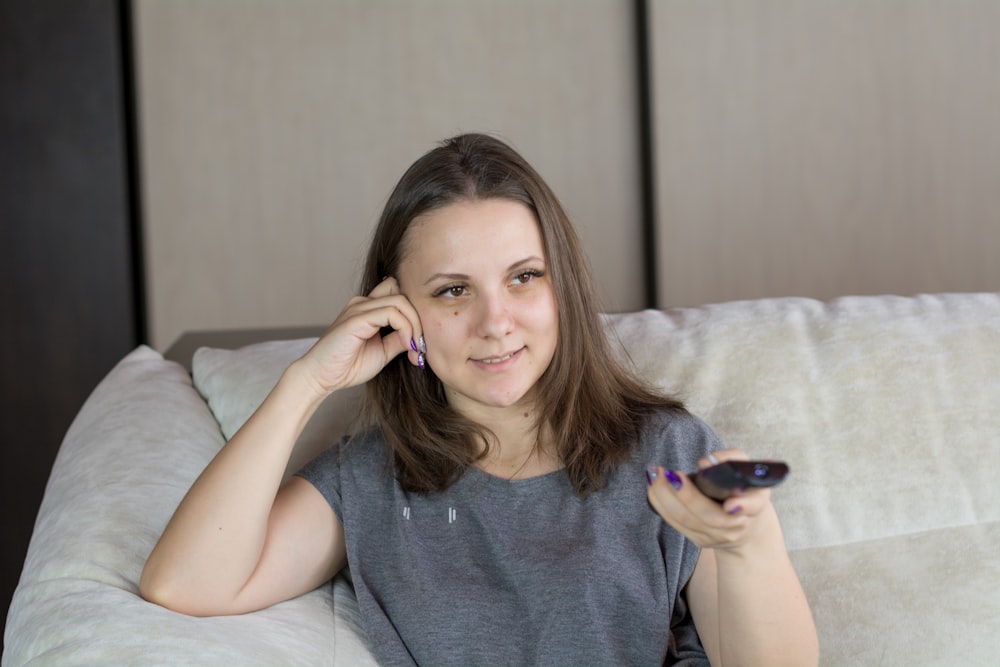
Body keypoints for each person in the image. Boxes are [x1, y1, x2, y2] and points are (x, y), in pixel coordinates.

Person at [141, 133, 818, 666]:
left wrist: (746, 544)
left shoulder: (666, 452)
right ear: (397, 310)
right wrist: (306, 382)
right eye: (452, 290)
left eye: (524, 277)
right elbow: (185, 583)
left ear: (564, 289)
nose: (496, 321)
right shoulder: (371, 479)